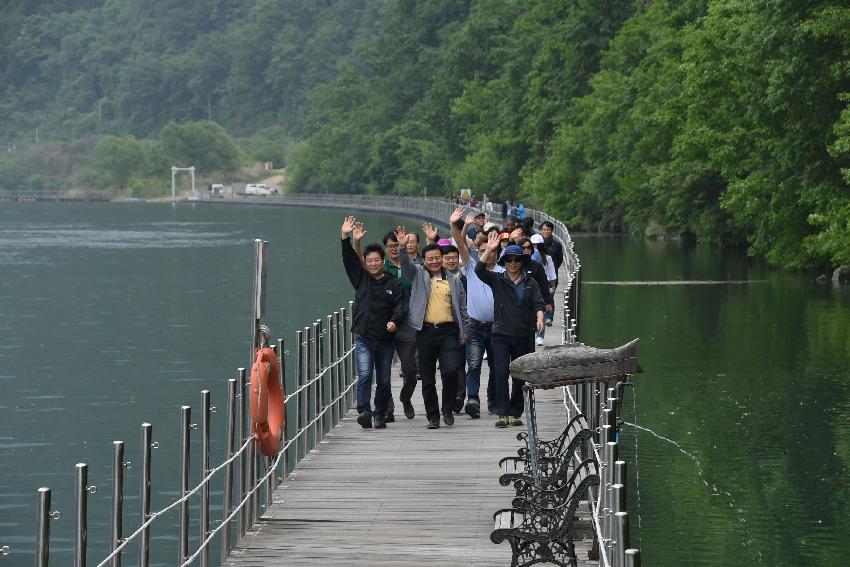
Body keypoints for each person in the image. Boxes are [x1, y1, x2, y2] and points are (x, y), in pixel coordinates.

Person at [395, 226, 468, 429]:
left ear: (442, 258)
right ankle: (433, 416)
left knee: (451, 370)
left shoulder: (454, 280)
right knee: (427, 378)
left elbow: (462, 308)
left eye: (438, 258)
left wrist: (465, 330)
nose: (434, 261)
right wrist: (402, 248)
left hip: (449, 332)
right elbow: (406, 266)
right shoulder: (419, 275)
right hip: (425, 331)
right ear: (424, 261)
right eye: (430, 259)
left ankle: (447, 408)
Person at [340, 216, 406, 429]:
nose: (373, 263)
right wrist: (346, 238)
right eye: (369, 261)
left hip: (386, 340)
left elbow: (400, 306)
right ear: (366, 263)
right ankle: (364, 412)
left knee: (385, 380)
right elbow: (349, 260)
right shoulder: (361, 279)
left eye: (377, 260)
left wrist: (394, 322)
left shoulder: (393, 283)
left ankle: (380, 413)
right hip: (364, 338)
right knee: (366, 375)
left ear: (382, 260)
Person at [475, 233, 545, 428]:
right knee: (500, 372)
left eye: (516, 260)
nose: (513, 263)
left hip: (523, 335)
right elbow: (478, 269)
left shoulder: (530, 283)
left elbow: (539, 302)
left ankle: (515, 413)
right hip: (500, 334)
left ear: (522, 262)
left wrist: (540, 317)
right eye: (509, 260)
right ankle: (502, 412)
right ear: (504, 262)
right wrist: (489, 248)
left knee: (519, 375)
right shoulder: (497, 279)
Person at [450, 206, 503, 418]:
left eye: (489, 251)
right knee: (473, 364)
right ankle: (473, 399)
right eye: (481, 251)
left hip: (497, 327)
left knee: (496, 366)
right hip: (474, 326)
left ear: (496, 254)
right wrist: (456, 224)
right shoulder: (471, 267)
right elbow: (461, 245)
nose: (485, 254)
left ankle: (492, 400)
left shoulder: (502, 272)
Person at [381, 231, 420, 419]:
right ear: (386, 249)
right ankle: (388, 408)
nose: (395, 248)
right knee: (383, 370)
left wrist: (405, 250)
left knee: (411, 370)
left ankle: (406, 398)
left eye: (398, 245)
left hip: (407, 325)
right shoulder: (382, 268)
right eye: (391, 246)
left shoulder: (410, 267)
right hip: (385, 325)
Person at [529, 233, 557, 341]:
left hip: (542, 286)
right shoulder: (526, 258)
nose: (535, 248)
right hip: (530, 286)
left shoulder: (547, 258)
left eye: (538, 245)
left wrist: (552, 288)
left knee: (541, 309)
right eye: (533, 245)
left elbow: (552, 274)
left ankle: (540, 335)